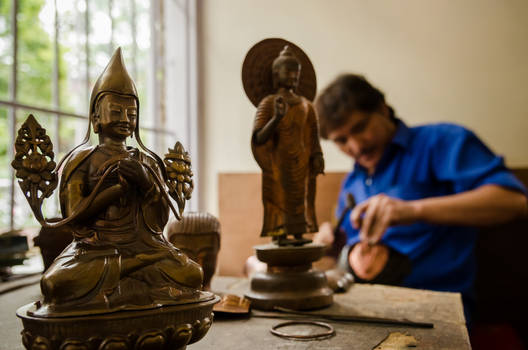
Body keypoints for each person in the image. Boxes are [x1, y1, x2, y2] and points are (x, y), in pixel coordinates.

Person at [314, 74, 528, 322]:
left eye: (360, 127)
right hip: (363, 307)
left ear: (382, 109)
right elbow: (352, 254)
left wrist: (413, 210)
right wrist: (333, 245)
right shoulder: (352, 183)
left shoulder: (440, 142)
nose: (356, 146)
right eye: (341, 140)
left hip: (435, 309)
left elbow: (512, 202)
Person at [38, 48, 203, 317]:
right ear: (95, 118)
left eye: (132, 113)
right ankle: (133, 270)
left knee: (192, 273)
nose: (126, 119)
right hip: (94, 250)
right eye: (116, 111)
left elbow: (159, 224)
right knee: (55, 283)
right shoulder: (82, 160)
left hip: (144, 246)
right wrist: (114, 190)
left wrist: (148, 184)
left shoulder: (147, 161)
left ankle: (132, 270)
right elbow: (74, 220)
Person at [251, 45, 324, 244]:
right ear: (276, 74)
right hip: (277, 164)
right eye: (288, 72)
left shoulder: (307, 105)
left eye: (296, 74)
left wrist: (318, 156)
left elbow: (314, 136)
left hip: (301, 162)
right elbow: (258, 138)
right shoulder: (268, 103)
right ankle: (279, 233)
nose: (293, 77)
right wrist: (276, 118)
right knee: (278, 198)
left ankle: (300, 232)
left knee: (302, 198)